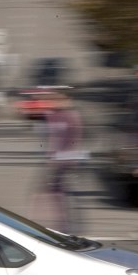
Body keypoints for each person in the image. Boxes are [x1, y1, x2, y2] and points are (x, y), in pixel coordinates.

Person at [41, 90, 85, 233]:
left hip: (68, 158)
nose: (56, 102)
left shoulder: (72, 116)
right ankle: (63, 223)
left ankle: (69, 224)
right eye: (54, 100)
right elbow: (50, 137)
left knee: (63, 191)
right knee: (56, 191)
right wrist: (49, 155)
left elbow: (76, 137)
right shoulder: (51, 116)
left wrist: (72, 156)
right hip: (56, 158)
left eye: (60, 99)